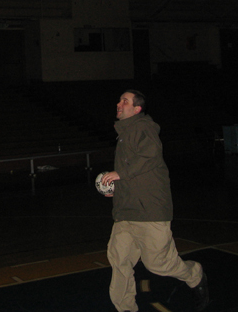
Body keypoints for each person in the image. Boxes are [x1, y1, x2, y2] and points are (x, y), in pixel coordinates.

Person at [100, 90, 209, 312]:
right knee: (119, 260)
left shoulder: (144, 128)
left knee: (159, 263)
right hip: (125, 211)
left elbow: (149, 156)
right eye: (119, 100)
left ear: (137, 109)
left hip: (149, 211)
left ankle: (194, 274)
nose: (119, 103)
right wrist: (116, 188)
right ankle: (126, 308)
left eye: (125, 101)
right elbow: (133, 175)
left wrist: (120, 174)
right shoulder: (124, 134)